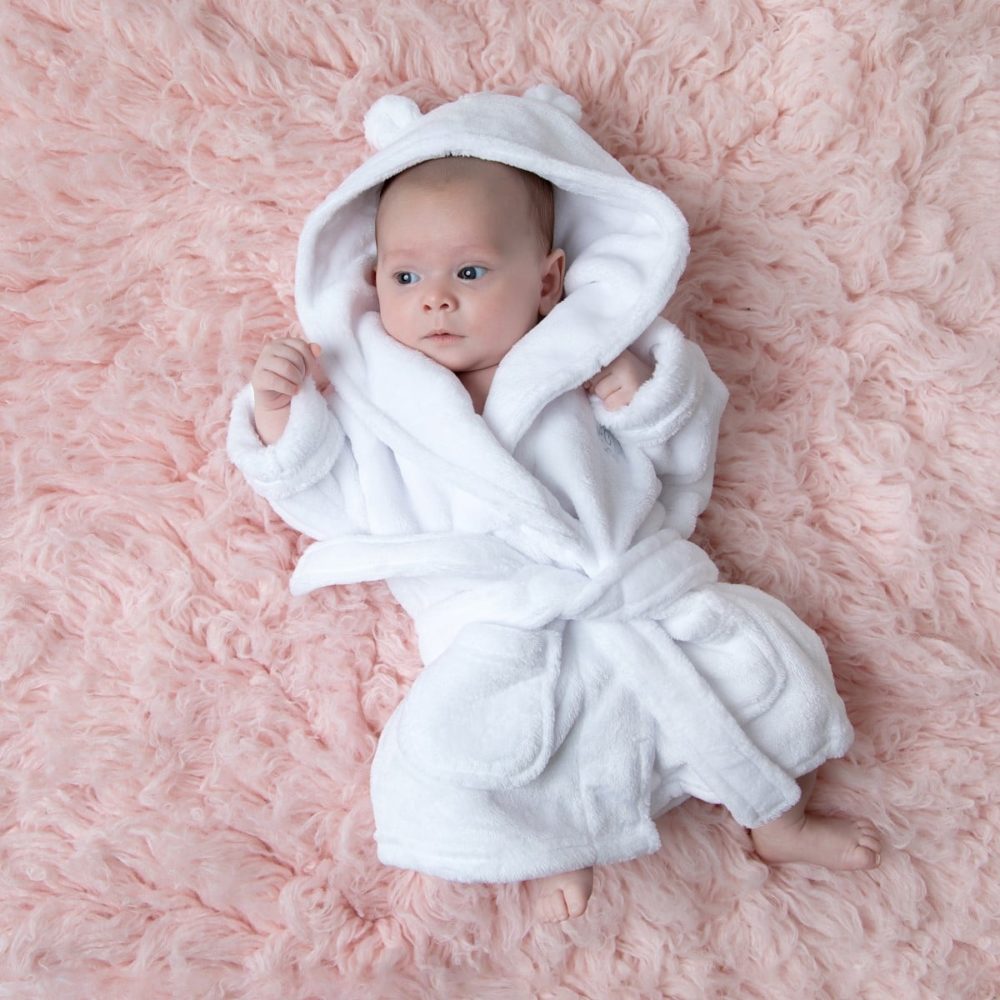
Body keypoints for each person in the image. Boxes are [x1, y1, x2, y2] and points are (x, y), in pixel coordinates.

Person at [229, 89, 881, 924]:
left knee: (766, 680)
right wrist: (283, 417)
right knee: (487, 756)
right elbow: (327, 495)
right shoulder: (384, 406)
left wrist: (642, 400)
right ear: (370, 281)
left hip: (637, 594)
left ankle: (779, 819)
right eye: (405, 275)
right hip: (505, 630)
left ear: (547, 282)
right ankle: (553, 845)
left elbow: (683, 459)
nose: (435, 298)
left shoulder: (580, 363)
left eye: (470, 272)